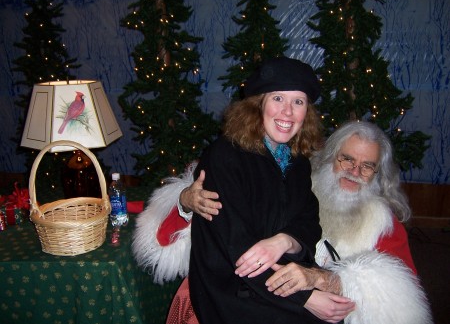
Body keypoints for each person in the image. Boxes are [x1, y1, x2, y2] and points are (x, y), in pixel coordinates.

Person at [133, 121, 432, 321]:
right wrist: (186, 203)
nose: (355, 170)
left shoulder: (384, 225)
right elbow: (165, 241)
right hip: (244, 293)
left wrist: (330, 281)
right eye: (347, 159)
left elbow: (397, 300)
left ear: (379, 175)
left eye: (368, 166)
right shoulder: (291, 182)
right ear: (330, 158)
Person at [134, 56, 354, 323]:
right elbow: (237, 249)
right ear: (258, 104)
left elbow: (308, 222)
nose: (288, 112)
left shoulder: (297, 162)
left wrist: (284, 240)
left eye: (298, 102)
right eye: (277, 99)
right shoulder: (225, 156)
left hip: (277, 270)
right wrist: (306, 299)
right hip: (232, 286)